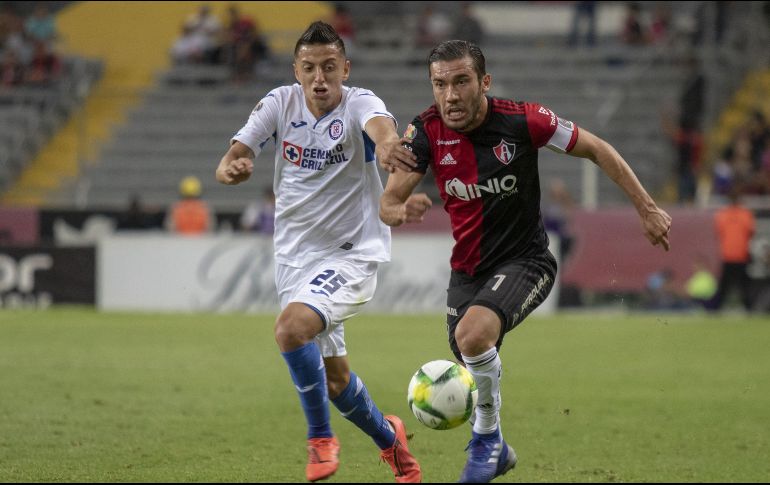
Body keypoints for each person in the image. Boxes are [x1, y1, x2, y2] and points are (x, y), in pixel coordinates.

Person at [379, 40, 672, 483]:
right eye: (440, 84)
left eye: (461, 82)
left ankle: (486, 442)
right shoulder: (425, 133)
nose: (450, 95)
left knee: (473, 337)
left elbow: (597, 148)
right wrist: (400, 211)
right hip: (467, 271)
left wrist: (647, 209)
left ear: (484, 82)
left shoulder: (524, 121)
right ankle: (498, 448)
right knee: (469, 352)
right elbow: (387, 205)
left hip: (527, 260)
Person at [214, 21, 421, 483]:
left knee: (290, 330)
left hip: (351, 254)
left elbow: (382, 131)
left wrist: (389, 148)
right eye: (309, 68)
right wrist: (233, 168)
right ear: (296, 71)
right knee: (336, 381)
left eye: (329, 67)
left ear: (345, 69)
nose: (319, 78)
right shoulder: (279, 103)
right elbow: (228, 161)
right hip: (293, 260)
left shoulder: (359, 103)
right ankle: (391, 442)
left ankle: (320, 439)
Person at [711, 187, 755, 312]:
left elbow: (719, 233)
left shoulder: (722, 215)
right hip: (741, 254)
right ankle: (749, 308)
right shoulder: (746, 214)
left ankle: (716, 308)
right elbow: (751, 232)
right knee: (744, 285)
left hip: (728, 254)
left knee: (724, 285)